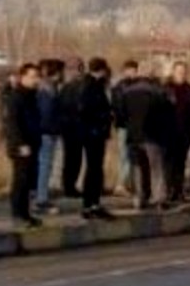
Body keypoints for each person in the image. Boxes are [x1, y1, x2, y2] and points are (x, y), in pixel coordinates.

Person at [123, 66, 172, 211]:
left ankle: (139, 198)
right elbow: (165, 115)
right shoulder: (157, 92)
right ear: (151, 77)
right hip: (152, 136)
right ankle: (159, 199)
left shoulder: (127, 92)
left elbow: (121, 114)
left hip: (133, 136)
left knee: (138, 168)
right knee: (156, 169)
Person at [5, 63, 44, 228]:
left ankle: (25, 213)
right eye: (32, 77)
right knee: (20, 180)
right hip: (21, 145)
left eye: (37, 77)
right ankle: (17, 214)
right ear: (23, 77)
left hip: (33, 142)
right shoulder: (16, 96)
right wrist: (20, 143)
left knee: (28, 181)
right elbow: (12, 123)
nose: (35, 80)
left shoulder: (32, 95)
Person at [79, 58, 116, 220]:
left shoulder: (93, 85)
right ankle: (90, 204)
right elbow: (87, 110)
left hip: (95, 132)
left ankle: (93, 202)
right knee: (94, 169)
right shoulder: (91, 86)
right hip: (93, 133)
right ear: (101, 70)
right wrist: (105, 117)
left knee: (95, 168)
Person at [164, 62, 190, 202]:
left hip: (185, 132)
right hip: (169, 132)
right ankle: (168, 190)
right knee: (169, 163)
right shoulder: (167, 88)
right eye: (179, 71)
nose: (181, 74)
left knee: (180, 162)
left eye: (184, 71)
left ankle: (178, 190)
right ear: (173, 72)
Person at [34, 59, 65, 216]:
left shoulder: (48, 88)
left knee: (45, 166)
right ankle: (41, 199)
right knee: (45, 166)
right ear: (57, 73)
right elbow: (47, 114)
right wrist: (54, 129)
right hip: (47, 133)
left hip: (47, 132)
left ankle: (42, 195)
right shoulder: (47, 90)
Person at [58, 58, 86, 199]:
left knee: (72, 158)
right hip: (74, 127)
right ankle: (69, 186)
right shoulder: (76, 87)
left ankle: (69, 185)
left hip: (69, 127)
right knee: (73, 158)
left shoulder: (65, 87)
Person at [110, 60, 139, 196]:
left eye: (135, 70)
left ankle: (126, 183)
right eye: (131, 70)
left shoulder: (124, 86)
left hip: (128, 125)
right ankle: (121, 184)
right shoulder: (120, 87)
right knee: (125, 156)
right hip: (124, 125)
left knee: (130, 156)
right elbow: (118, 108)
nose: (133, 73)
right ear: (125, 70)